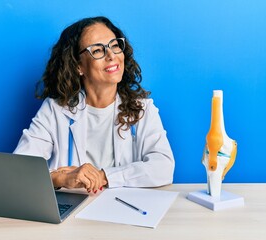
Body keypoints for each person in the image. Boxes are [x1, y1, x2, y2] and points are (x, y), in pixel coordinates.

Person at [14, 16, 175, 194]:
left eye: (115, 45)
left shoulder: (143, 109)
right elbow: (21, 168)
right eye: (98, 50)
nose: (111, 55)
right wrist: (61, 178)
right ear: (78, 66)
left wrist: (104, 176)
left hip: (126, 209)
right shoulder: (55, 110)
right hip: (75, 212)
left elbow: (164, 167)